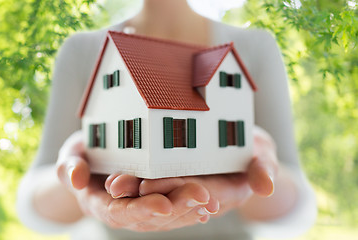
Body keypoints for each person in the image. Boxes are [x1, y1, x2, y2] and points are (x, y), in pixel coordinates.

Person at [17, 0, 317, 239]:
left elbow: (296, 201)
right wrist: (79, 179)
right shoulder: (82, 50)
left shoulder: (253, 47)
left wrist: (251, 174)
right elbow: (34, 204)